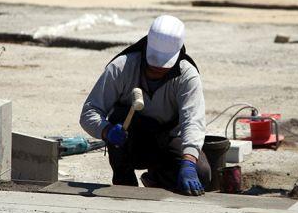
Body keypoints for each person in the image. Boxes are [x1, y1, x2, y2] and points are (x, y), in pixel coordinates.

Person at [79, 15, 209, 196]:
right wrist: (106, 130)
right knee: (119, 120)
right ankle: (124, 184)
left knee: (202, 173)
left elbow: (193, 121)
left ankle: (156, 179)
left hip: (167, 140)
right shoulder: (121, 67)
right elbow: (89, 112)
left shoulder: (187, 75)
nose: (156, 69)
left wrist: (188, 161)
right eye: (152, 63)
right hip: (130, 142)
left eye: (163, 65)